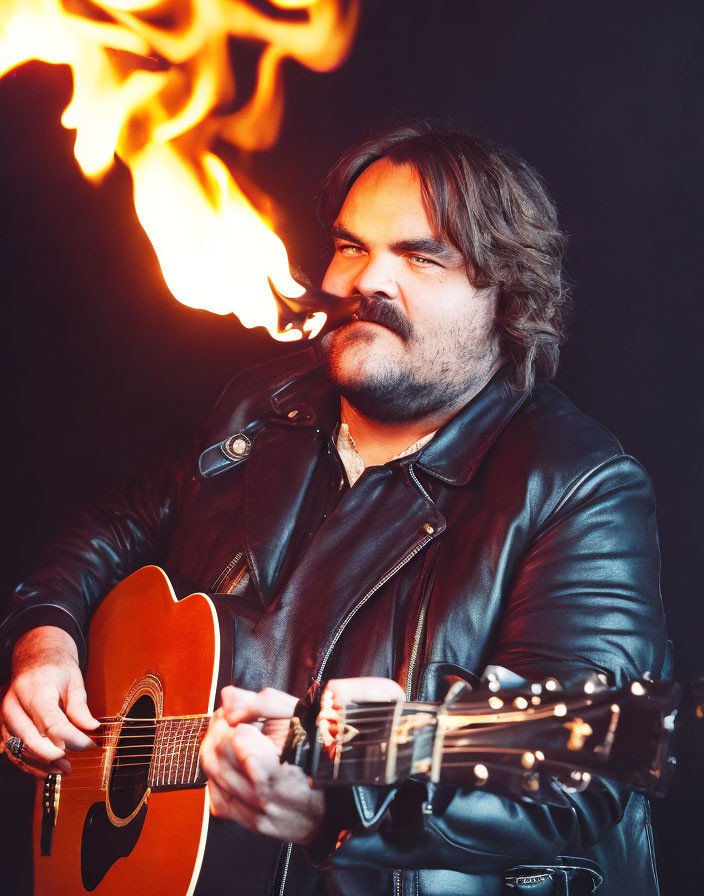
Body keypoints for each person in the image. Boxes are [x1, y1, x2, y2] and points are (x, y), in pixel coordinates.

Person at [0, 121, 667, 895]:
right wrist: (44, 634)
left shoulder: (582, 486)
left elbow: (574, 771)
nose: (366, 281)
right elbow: (120, 526)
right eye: (352, 247)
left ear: (506, 295)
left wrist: (336, 807)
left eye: (422, 255)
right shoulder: (263, 406)